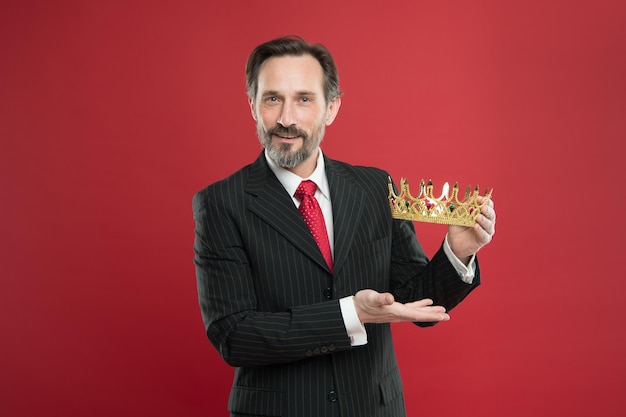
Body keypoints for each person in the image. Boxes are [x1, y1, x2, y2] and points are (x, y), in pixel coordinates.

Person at [193, 35, 496, 417]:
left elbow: (416, 302)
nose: (287, 118)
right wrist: (350, 313)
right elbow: (235, 337)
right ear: (252, 105)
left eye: (304, 99)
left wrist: (458, 252)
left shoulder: (374, 188)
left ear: (331, 108)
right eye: (272, 99)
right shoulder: (220, 204)